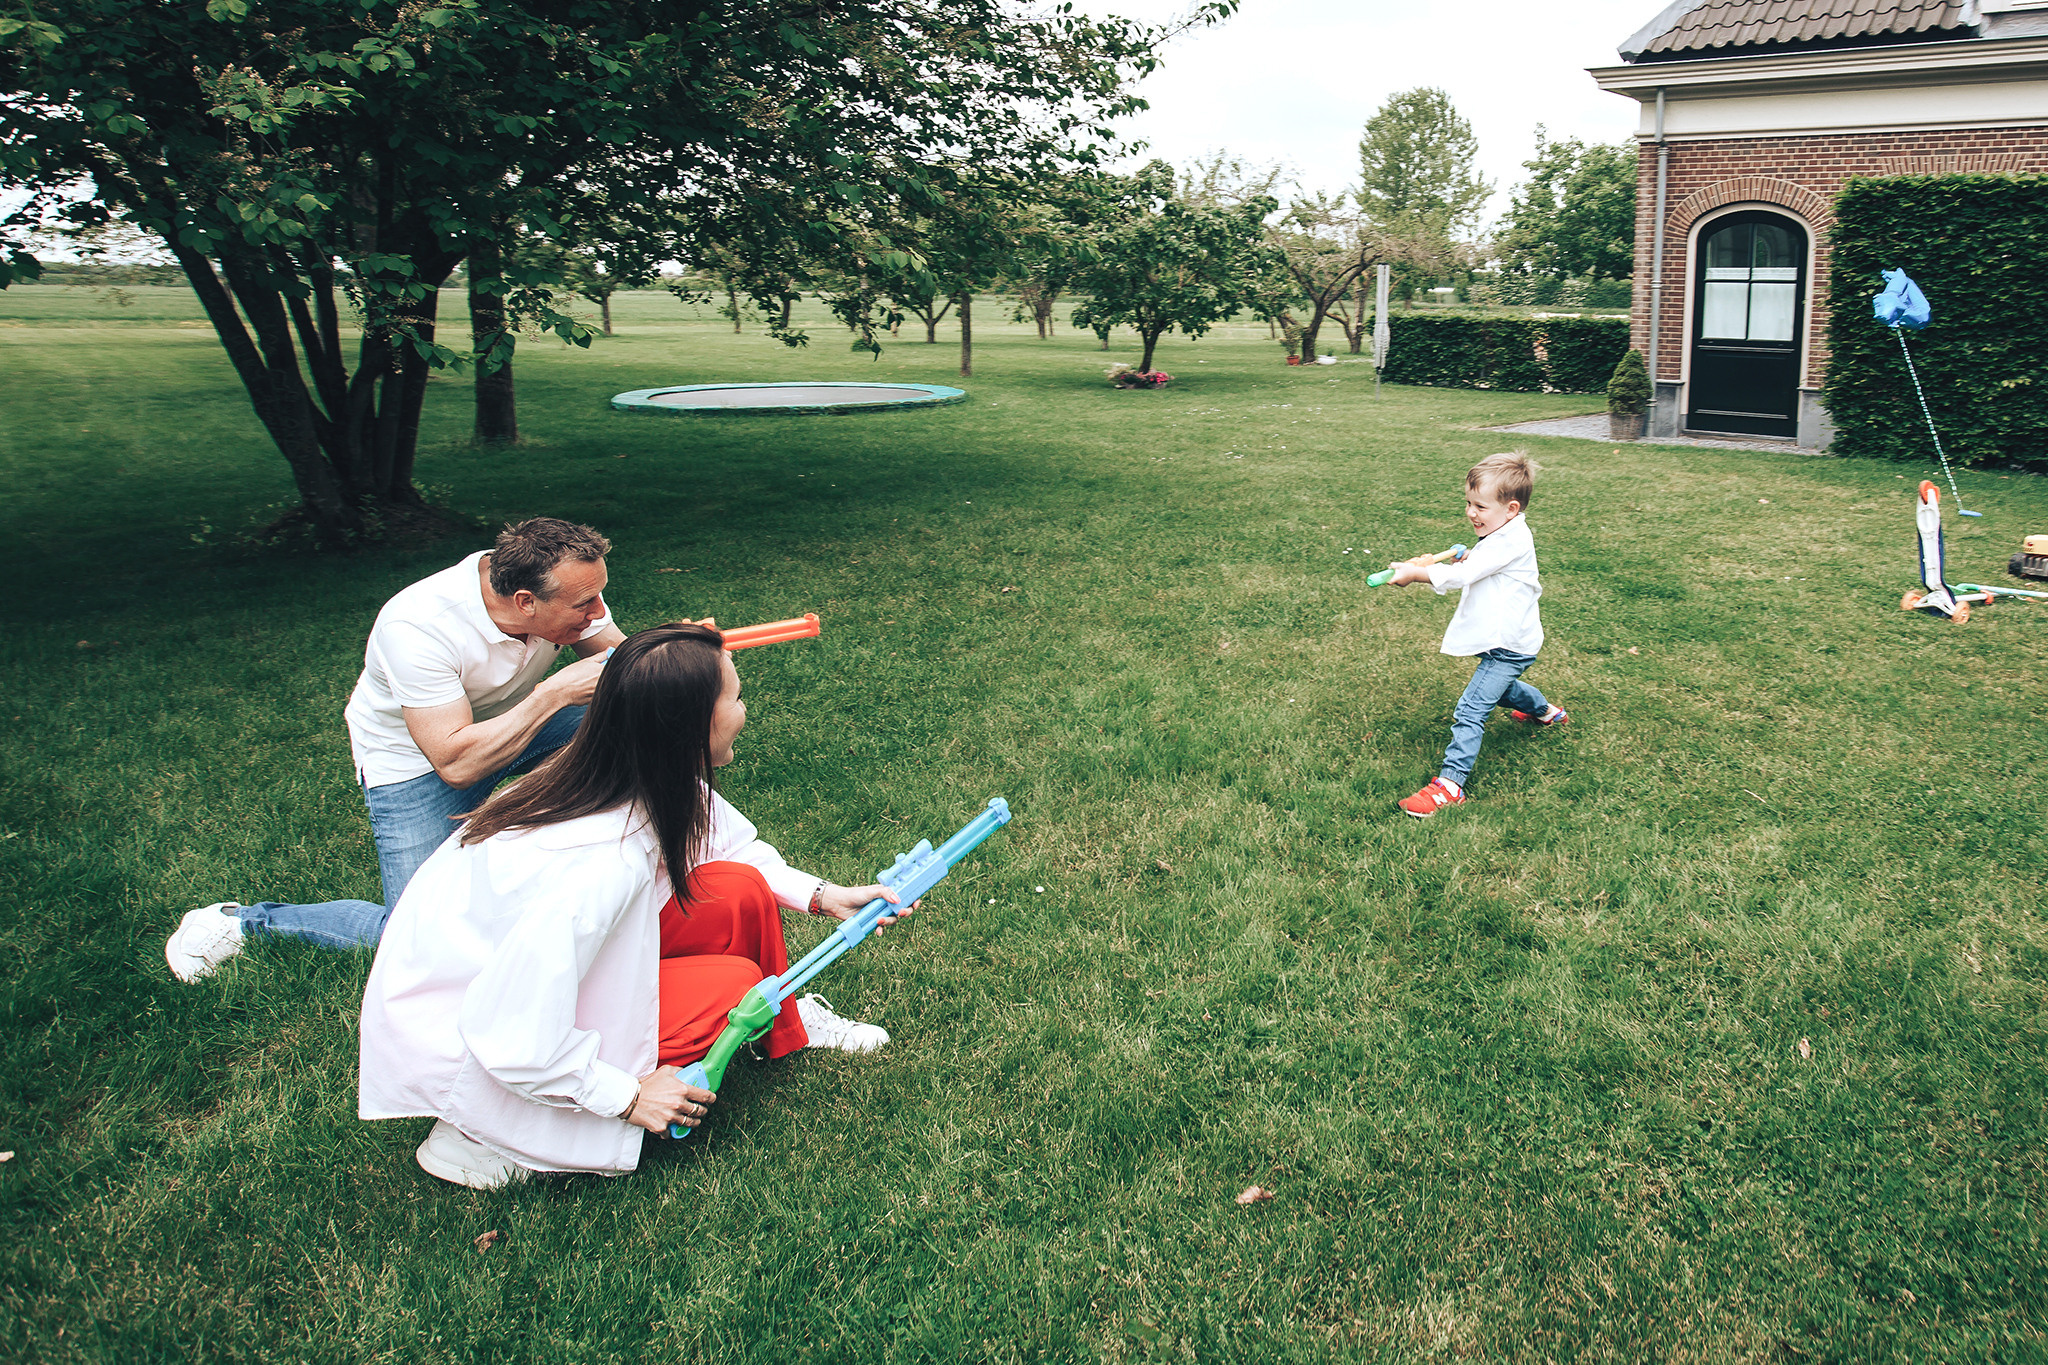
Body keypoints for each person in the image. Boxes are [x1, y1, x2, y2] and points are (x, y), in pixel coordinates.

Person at [358, 621, 904, 1188]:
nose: (743, 710)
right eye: (736, 698)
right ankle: (480, 1137)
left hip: (523, 987)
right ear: (690, 725)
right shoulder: (598, 864)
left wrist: (822, 896)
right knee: (733, 986)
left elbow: (732, 848)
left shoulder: (630, 766)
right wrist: (627, 1096)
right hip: (476, 1035)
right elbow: (509, 1031)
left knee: (736, 888)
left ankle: (787, 1030)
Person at [164, 518, 626, 979]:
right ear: (525, 602)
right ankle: (248, 923)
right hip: (422, 759)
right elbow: (457, 763)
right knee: (420, 932)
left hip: (516, 723)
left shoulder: (561, 592)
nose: (598, 611)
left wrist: (683, 652)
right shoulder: (419, 624)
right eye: (586, 603)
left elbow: (628, 666)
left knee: (634, 720)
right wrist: (554, 694)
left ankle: (620, 865)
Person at [1384, 451, 1568, 818]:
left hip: (1509, 646)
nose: (1471, 513)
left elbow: (1464, 578)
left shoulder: (1508, 540)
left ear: (1511, 509)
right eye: (1468, 503)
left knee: (1471, 708)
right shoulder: (1504, 533)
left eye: (1480, 506)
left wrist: (1415, 574)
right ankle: (1547, 713)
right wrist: (1464, 559)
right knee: (1499, 690)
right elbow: (1479, 568)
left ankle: (1450, 786)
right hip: (1505, 639)